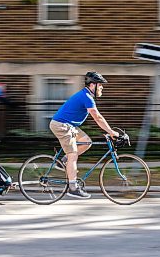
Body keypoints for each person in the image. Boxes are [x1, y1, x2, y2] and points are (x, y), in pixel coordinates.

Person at [49, 71, 120, 199]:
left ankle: (62, 161)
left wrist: (109, 131)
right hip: (61, 125)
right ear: (93, 85)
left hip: (68, 125)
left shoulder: (87, 96)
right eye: (101, 85)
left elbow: (97, 118)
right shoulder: (86, 97)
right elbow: (97, 117)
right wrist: (111, 132)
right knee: (73, 154)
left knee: (86, 141)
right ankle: (72, 187)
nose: (102, 87)